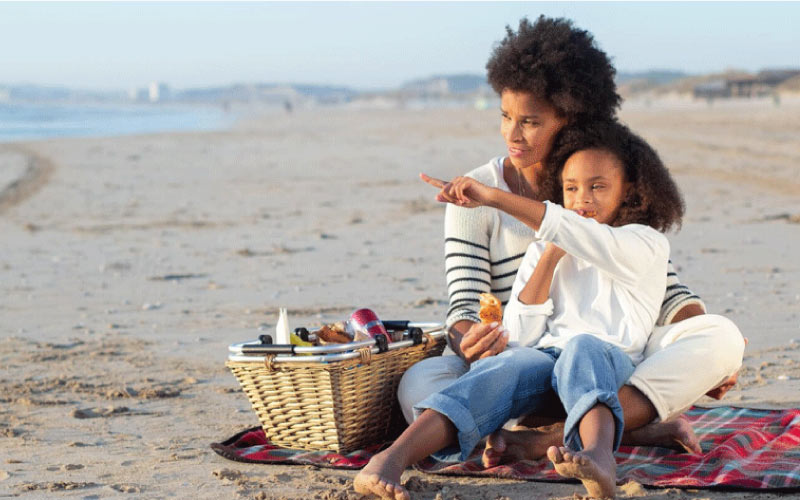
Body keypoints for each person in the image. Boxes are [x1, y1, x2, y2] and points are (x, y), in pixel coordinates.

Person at [397, 16, 745, 459]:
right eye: (505, 117)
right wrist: (472, 342)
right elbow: (464, 304)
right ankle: (622, 427)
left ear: (571, 115)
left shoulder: (600, 187)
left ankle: (547, 437)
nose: (512, 135)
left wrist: (706, 348)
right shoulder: (477, 194)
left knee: (719, 338)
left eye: (530, 121)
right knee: (419, 383)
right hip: (519, 362)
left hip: (607, 358)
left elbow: (668, 290)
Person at [356, 121, 685, 500]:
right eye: (572, 189)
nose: (583, 200)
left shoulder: (645, 242)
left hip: (609, 363)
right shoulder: (544, 246)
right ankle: (391, 459)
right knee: (505, 365)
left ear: (628, 191)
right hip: (545, 363)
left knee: (583, 346)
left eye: (598, 187)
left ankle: (599, 459)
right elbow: (522, 335)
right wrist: (550, 255)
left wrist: (495, 198)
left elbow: (588, 238)